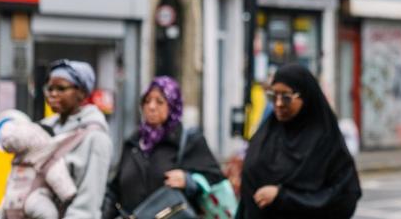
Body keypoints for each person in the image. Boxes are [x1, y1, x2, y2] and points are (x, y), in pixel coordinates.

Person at [239, 64, 361, 218]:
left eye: (286, 97)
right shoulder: (267, 133)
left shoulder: (325, 140)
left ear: (306, 96)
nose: (278, 103)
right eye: (273, 96)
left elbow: (343, 195)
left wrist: (283, 196)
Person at [102, 76, 223, 219]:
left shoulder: (188, 141)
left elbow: (215, 180)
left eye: (160, 102)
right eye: (147, 101)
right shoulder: (133, 143)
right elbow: (115, 190)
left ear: (172, 105)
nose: (151, 107)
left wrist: (189, 181)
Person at [39, 60, 111, 219]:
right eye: (50, 88)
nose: (53, 94)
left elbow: (88, 204)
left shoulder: (96, 137)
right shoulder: (41, 130)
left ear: (82, 93)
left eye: (61, 88)